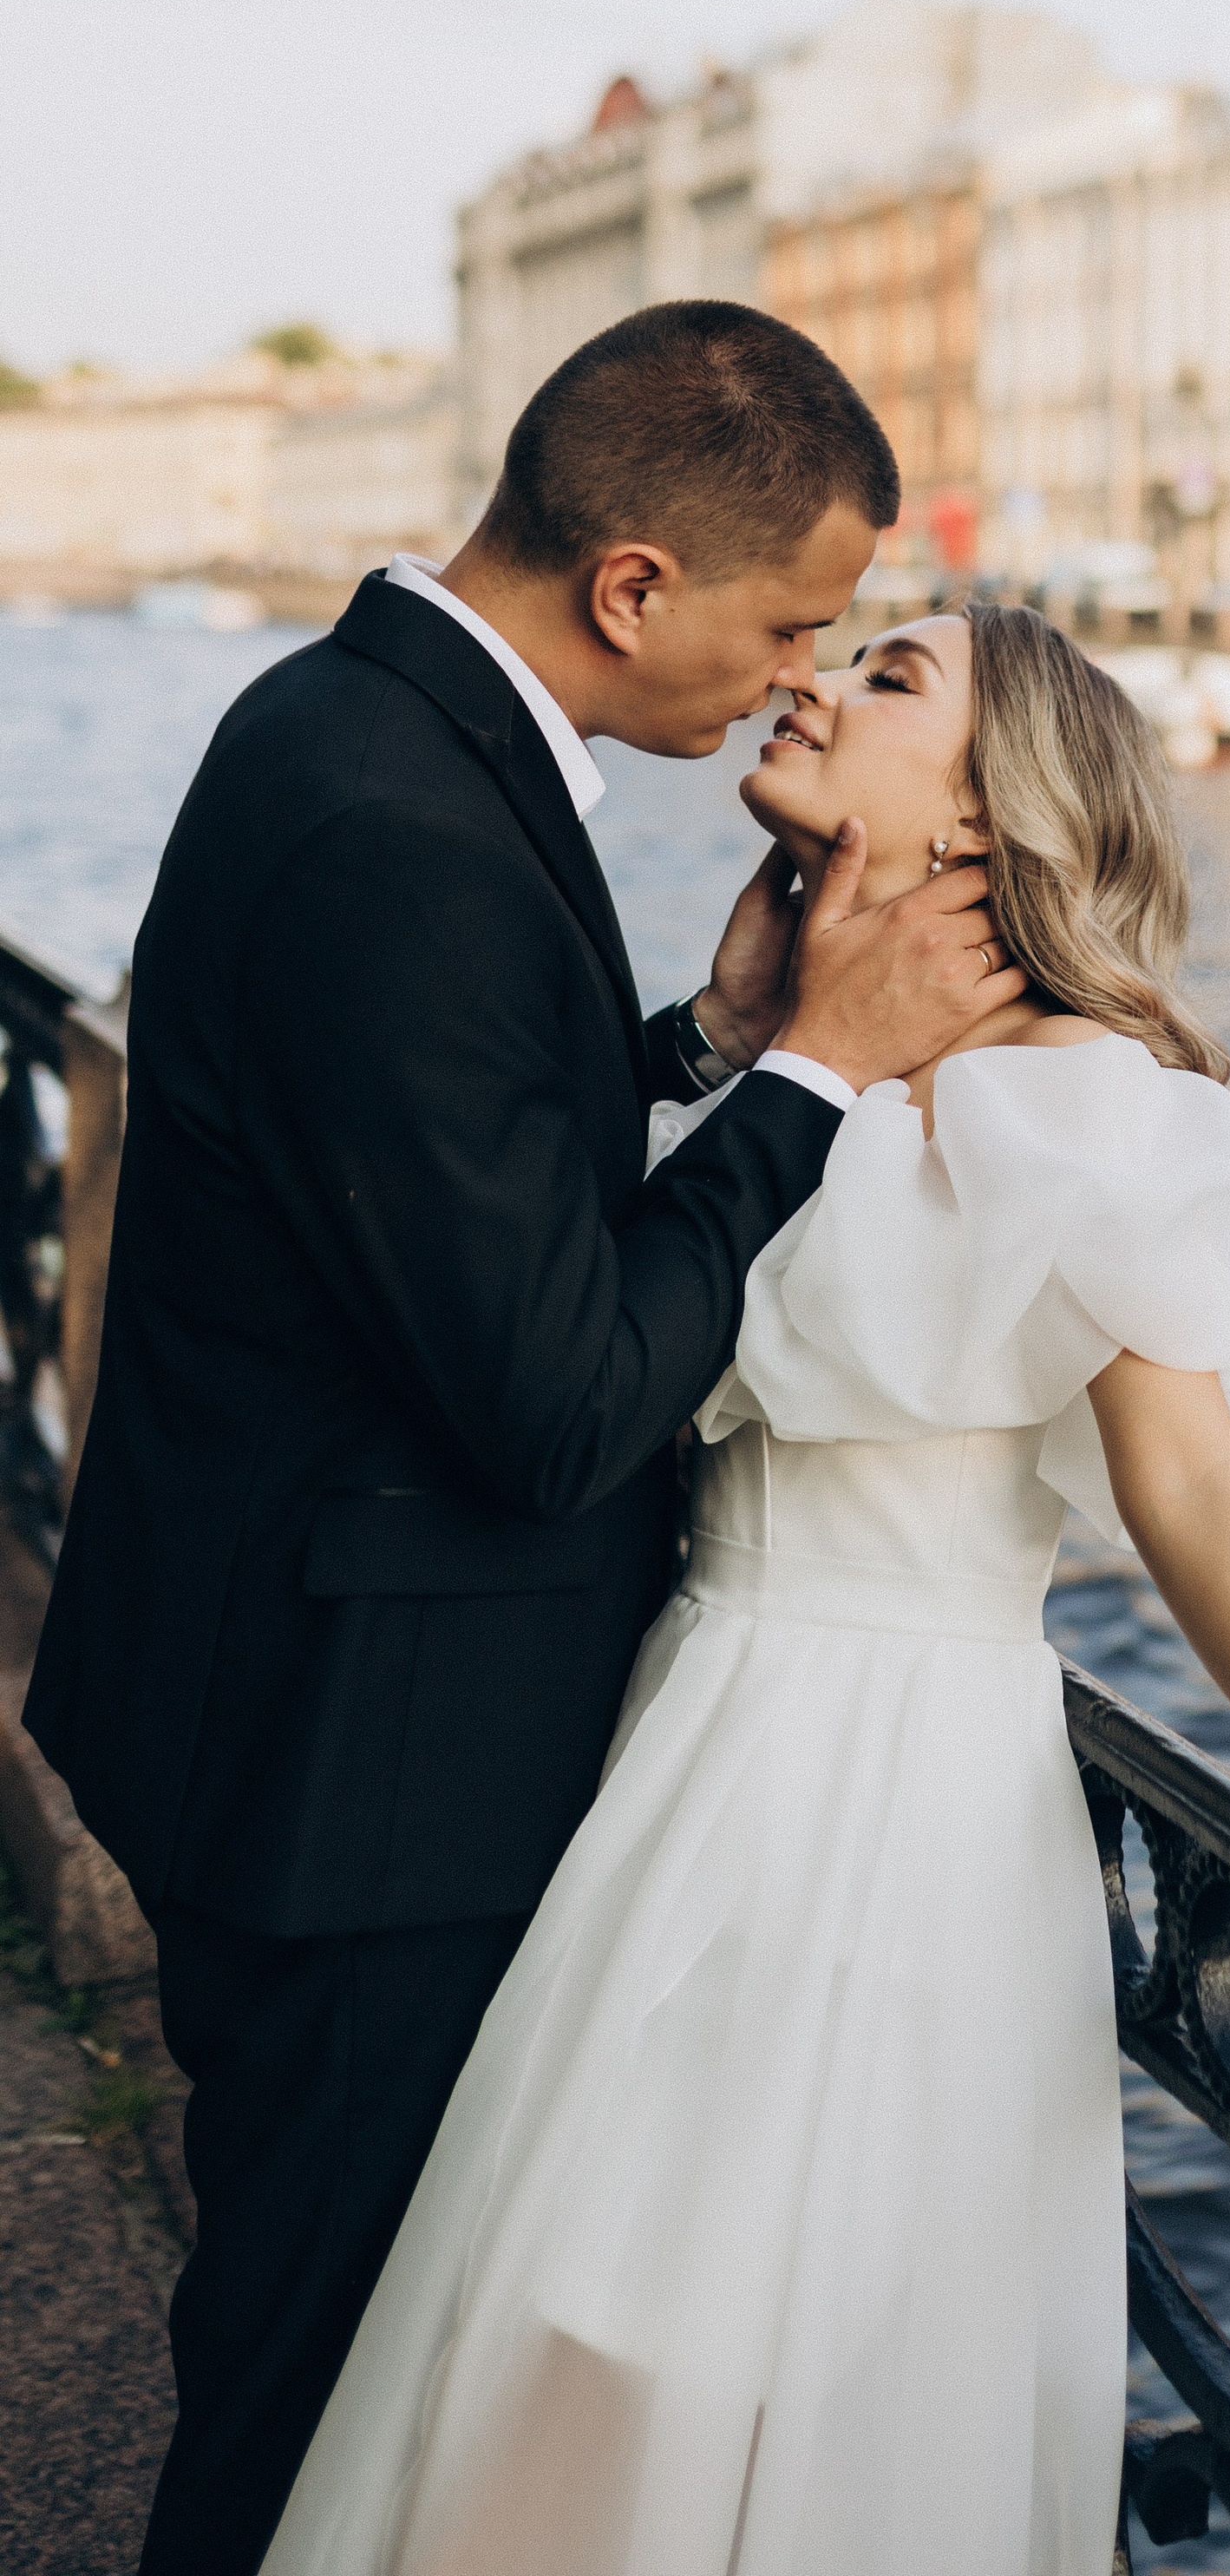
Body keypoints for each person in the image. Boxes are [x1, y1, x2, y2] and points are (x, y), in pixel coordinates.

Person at [262, 598, 1230, 2576]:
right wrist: (738, 1042)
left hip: (877, 1811)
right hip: (671, 1752)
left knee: (733, 2380)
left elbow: (1190, 1488)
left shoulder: (1079, 1101)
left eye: (888, 676)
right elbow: (566, 1350)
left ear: (987, 823)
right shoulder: (787, 1066)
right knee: (556, 2356)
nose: (810, 679)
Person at [25, 303, 1026, 2576]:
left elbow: (435, 1153)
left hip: (295, 1711)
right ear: (636, 584)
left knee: (327, 2366)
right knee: (302, 2413)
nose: (795, 675)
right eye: (792, 621)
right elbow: (558, 1394)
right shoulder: (404, 825)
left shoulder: (357, 731)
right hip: (358, 1787)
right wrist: (815, 1082)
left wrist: (696, 1037)